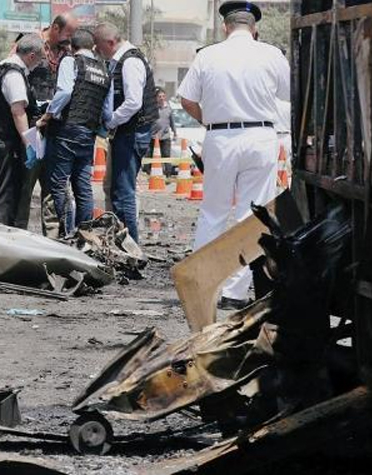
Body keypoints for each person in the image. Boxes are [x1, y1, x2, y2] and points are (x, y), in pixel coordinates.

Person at [177, 1, 290, 310]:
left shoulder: (208, 55)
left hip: (220, 138)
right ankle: (234, 293)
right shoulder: (271, 54)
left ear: (226, 27)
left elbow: (187, 100)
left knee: (213, 212)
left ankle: (202, 284)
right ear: (254, 29)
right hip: (260, 136)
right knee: (250, 216)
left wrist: (210, 120)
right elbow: (288, 93)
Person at [37, 29, 111, 237]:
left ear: (71, 46)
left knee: (59, 183)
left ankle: (66, 233)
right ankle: (84, 234)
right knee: (82, 185)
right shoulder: (104, 69)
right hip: (88, 133)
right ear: (93, 47)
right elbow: (107, 110)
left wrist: (48, 115)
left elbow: (65, 91)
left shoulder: (71, 61)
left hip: (66, 130)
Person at [94, 22, 159, 244]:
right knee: (116, 190)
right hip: (127, 133)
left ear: (110, 42)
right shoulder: (121, 61)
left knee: (124, 193)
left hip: (131, 133)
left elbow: (133, 102)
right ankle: (121, 242)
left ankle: (130, 246)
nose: (97, 50)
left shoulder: (130, 62)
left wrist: (111, 121)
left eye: (99, 45)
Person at [17, 13, 79, 237]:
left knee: (53, 188)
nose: (70, 38)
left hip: (56, 127)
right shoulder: (30, 43)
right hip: (33, 126)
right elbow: (14, 72)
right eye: (68, 33)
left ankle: (52, 239)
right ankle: (16, 236)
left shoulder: (68, 53)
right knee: (24, 186)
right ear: (55, 28)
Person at [0, 34, 44, 228]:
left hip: (2, 137)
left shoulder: (0, 68)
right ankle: (4, 232)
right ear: (31, 56)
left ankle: (3, 230)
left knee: (4, 188)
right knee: (9, 191)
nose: (39, 65)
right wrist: (29, 143)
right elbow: (18, 111)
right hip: (10, 141)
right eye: (40, 59)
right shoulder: (14, 74)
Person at [147, 88, 177, 176]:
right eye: (159, 96)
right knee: (149, 156)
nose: (161, 98)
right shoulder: (153, 109)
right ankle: (148, 174)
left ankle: (168, 175)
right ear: (156, 98)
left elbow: (172, 122)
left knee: (166, 156)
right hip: (153, 137)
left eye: (163, 96)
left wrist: (175, 133)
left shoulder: (169, 108)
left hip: (165, 137)